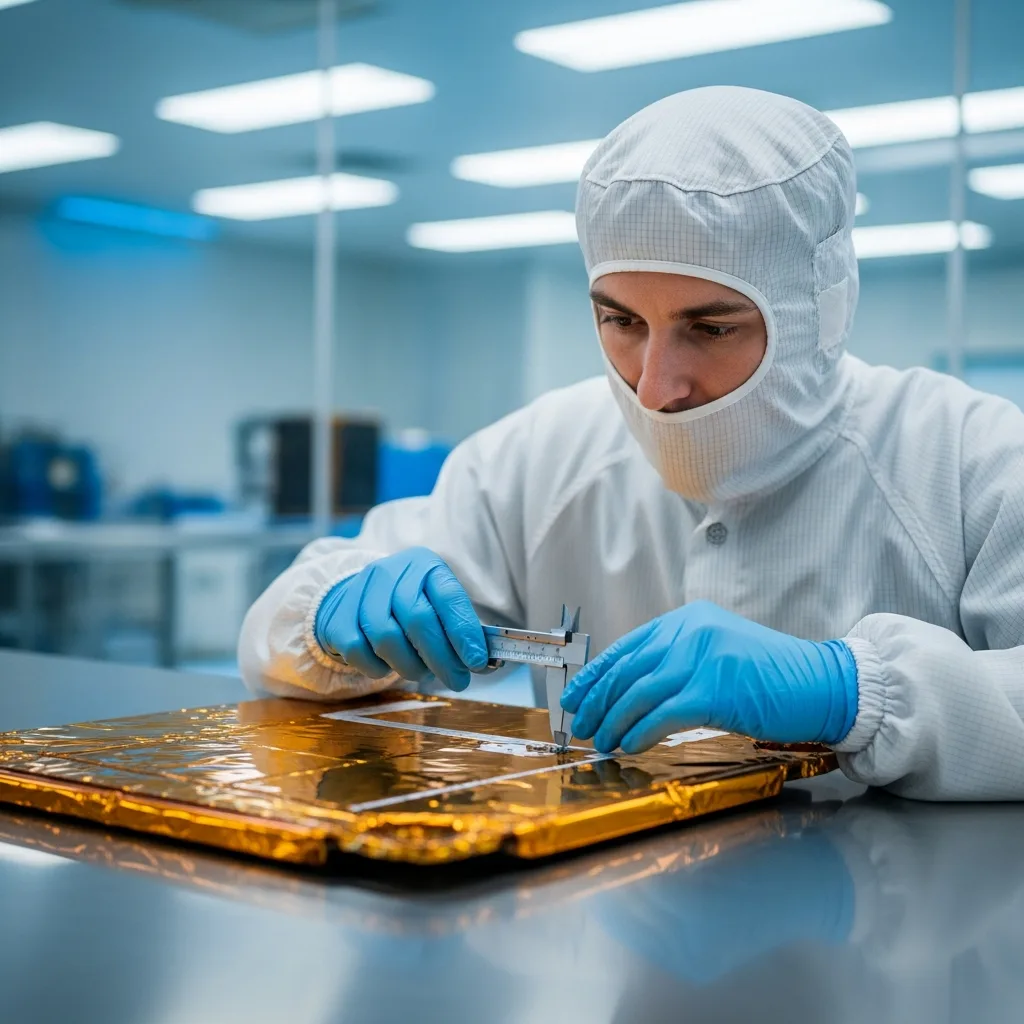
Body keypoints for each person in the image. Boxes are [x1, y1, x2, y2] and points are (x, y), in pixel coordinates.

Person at [238, 86, 1024, 800]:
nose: (654, 387)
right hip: (598, 906)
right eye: (622, 321)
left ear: (818, 311)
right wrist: (332, 620)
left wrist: (851, 693)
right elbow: (280, 638)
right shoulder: (539, 454)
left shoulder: (970, 457)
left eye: (710, 328)